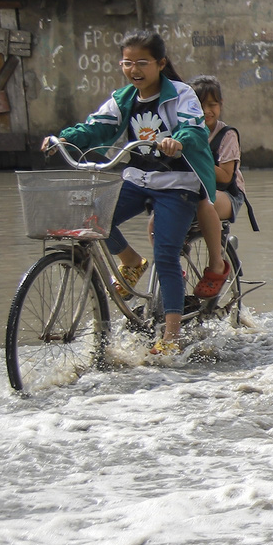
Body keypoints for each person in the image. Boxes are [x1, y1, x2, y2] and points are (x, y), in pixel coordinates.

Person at [44, 29, 219, 355]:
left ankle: (170, 335)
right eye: (127, 63)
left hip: (178, 183)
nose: (133, 69)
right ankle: (130, 260)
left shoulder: (182, 94)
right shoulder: (124, 98)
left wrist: (177, 139)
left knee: (166, 254)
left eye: (142, 62)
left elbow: (193, 127)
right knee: (92, 216)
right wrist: (65, 138)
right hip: (138, 178)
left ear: (160, 63)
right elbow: (97, 125)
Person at [190, 73, 255, 242]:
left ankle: (216, 262)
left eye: (212, 105)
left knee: (204, 203)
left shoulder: (227, 135)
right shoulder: (185, 132)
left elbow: (226, 177)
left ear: (220, 105)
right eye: (199, 106)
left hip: (227, 194)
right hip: (193, 189)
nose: (206, 111)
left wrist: (196, 160)